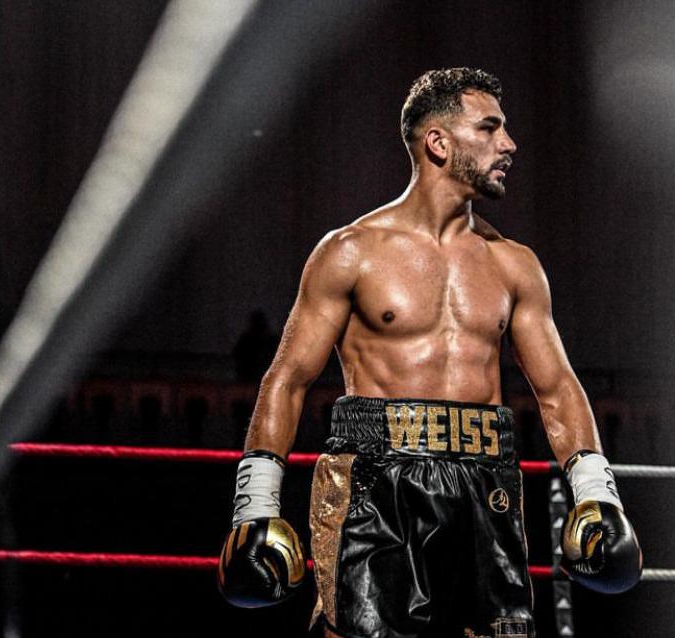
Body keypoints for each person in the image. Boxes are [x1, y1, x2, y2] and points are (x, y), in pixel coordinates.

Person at [217, 68, 642, 638]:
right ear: (438, 142)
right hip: (376, 481)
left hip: (485, 480)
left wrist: (596, 493)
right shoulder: (351, 252)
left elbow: (557, 386)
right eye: (489, 127)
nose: (509, 144)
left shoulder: (514, 264)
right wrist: (255, 508)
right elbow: (287, 379)